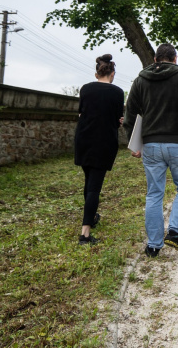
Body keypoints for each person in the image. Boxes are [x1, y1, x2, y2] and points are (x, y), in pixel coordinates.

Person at [123, 43, 178, 258]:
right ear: (175, 59)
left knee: (154, 193)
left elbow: (130, 113)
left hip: (150, 143)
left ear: (155, 59)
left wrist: (133, 143)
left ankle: (153, 245)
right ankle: (175, 231)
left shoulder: (140, 80)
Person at [73, 54, 125, 245]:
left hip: (84, 139)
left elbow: (81, 112)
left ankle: (92, 217)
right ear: (112, 74)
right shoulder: (118, 93)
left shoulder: (86, 89)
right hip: (104, 141)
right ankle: (85, 234)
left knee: (89, 181)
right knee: (94, 186)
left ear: (97, 73)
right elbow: (118, 119)